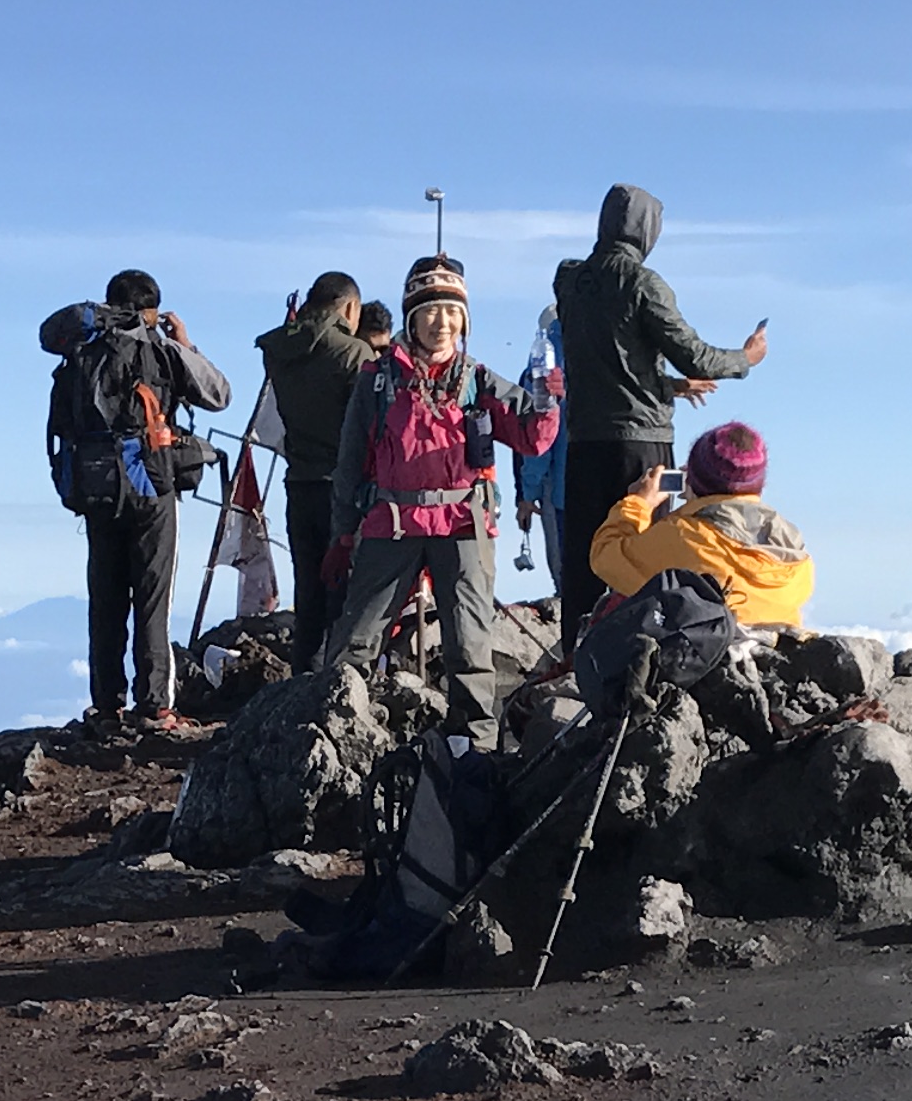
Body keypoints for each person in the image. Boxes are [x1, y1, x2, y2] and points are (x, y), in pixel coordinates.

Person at [319, 256, 562, 739]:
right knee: (356, 642)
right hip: (392, 524)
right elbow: (351, 462)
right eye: (430, 310)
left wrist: (547, 402)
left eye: (453, 312)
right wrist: (343, 535)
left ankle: (475, 753)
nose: (442, 322)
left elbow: (532, 438)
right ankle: (335, 734)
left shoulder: (478, 379)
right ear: (411, 316)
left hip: (462, 524)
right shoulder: (378, 379)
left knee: (471, 649)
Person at [548, 183, 765, 644]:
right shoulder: (645, 284)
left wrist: (666, 384)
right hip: (644, 444)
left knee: (586, 552)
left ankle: (574, 653)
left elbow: (605, 362)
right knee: (649, 550)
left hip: (585, 443)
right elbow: (697, 357)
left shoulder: (569, 281)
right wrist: (746, 358)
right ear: (648, 231)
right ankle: (646, 649)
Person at [45, 268, 231, 733]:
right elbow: (219, 395)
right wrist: (184, 342)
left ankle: (107, 705)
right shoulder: (157, 347)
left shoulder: (81, 350)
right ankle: (155, 707)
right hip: (151, 487)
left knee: (105, 598)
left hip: (95, 488)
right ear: (150, 308)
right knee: (152, 598)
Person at [253, 274, 376, 666]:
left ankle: (300, 680)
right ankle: (335, 687)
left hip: (299, 481)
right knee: (345, 594)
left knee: (308, 592)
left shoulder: (278, 349)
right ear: (350, 308)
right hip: (344, 489)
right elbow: (370, 427)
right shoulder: (355, 354)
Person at [587, 420, 811, 628]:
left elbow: (606, 556)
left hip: (698, 651)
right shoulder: (792, 544)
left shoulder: (682, 536)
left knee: (615, 603)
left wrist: (638, 503)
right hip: (773, 647)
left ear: (691, 476)